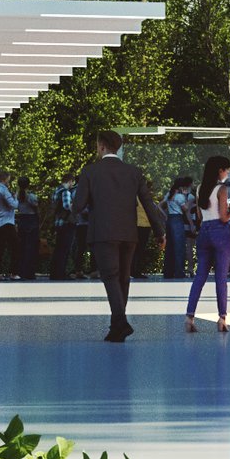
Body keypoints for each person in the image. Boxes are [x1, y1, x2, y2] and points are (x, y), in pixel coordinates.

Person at [76, 131, 151, 342]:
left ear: (101, 146)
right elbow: (148, 203)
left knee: (110, 277)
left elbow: (78, 205)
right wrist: (160, 231)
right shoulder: (134, 172)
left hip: (103, 232)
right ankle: (116, 328)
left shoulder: (90, 171)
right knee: (123, 279)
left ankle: (121, 322)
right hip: (129, 233)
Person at [182, 155, 230, 332]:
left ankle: (190, 316)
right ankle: (222, 318)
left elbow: (200, 216)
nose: (228, 174)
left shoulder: (200, 188)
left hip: (204, 232)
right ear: (220, 170)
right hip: (220, 233)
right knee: (221, 278)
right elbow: (223, 217)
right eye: (227, 170)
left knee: (200, 276)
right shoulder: (221, 189)